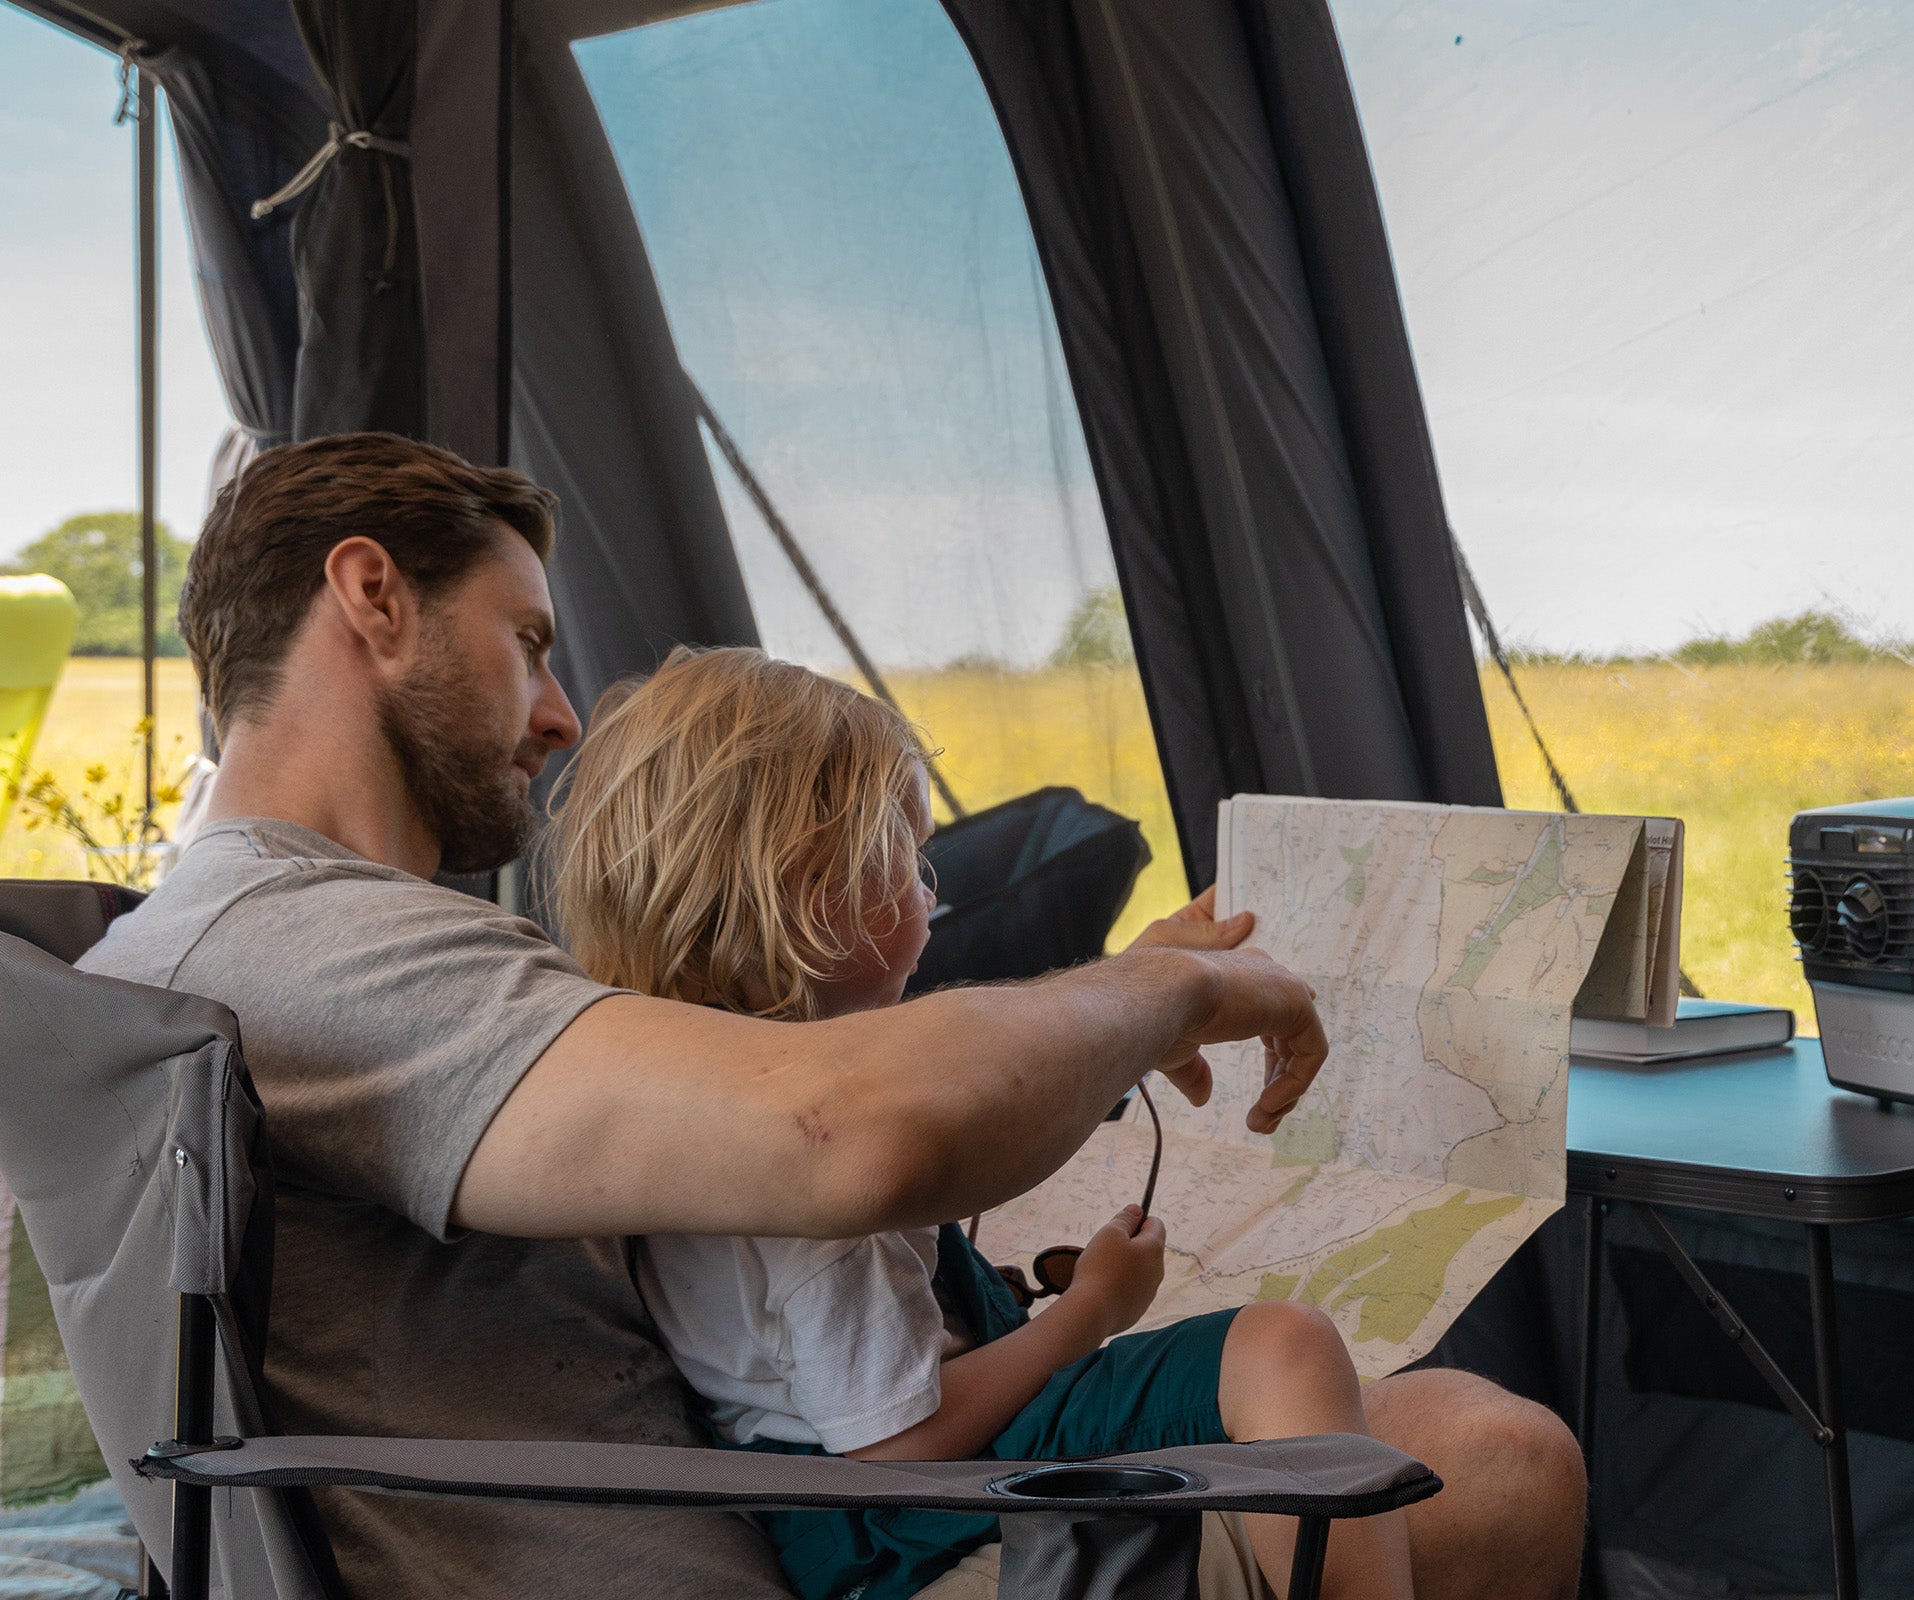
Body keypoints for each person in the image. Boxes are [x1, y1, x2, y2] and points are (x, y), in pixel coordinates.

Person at [79, 434, 1584, 1600]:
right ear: (371, 598)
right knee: (1491, 1458)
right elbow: (837, 1134)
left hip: (774, 1502)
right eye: (528, 640)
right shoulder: (306, 953)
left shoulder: (247, 940)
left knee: (1395, 1410)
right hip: (802, 1542)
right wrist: (1170, 989)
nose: (557, 713)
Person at [545, 645, 1410, 1600]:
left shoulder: (694, 1087)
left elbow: (985, 1117)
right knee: (1283, 1348)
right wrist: (1089, 1315)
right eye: (909, 860)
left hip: (858, 1498)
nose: (931, 891)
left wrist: (1134, 994)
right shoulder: (815, 1172)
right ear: (803, 891)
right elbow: (894, 1445)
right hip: (901, 1520)